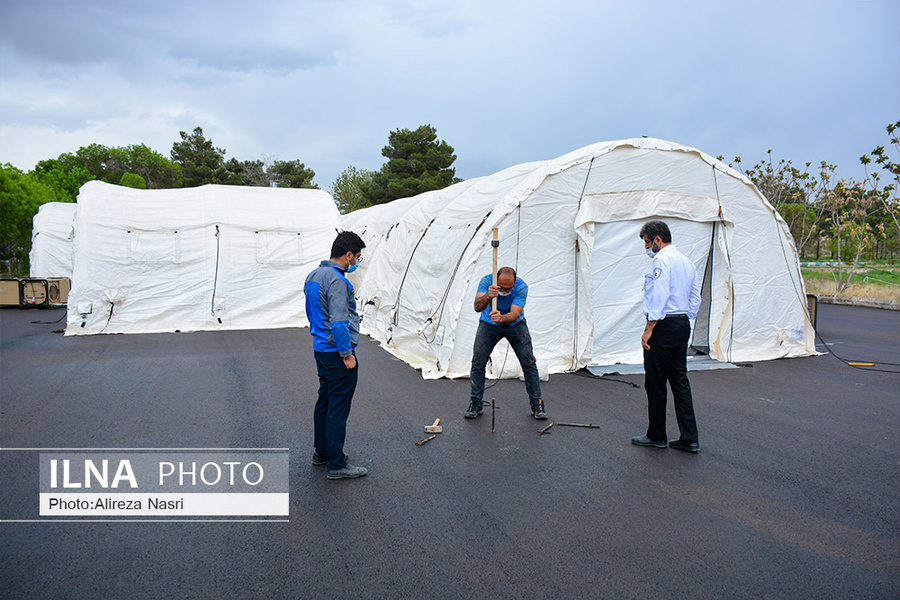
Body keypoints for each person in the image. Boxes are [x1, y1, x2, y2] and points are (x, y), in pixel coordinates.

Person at [631, 221, 702, 453]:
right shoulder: (687, 262)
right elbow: (694, 297)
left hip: (663, 324)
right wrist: (685, 318)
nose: (647, 248)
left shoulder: (661, 260)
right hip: (681, 322)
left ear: (658, 240)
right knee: (680, 381)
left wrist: (650, 328)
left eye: (648, 242)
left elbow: (659, 295)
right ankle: (690, 437)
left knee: (656, 382)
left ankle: (657, 435)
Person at [304, 231, 369, 479]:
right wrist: (347, 353)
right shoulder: (338, 281)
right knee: (338, 408)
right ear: (348, 254)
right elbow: (340, 322)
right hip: (336, 352)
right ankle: (336, 463)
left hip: (320, 349)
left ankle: (322, 452)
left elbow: (313, 313)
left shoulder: (314, 275)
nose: (357, 262)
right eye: (358, 257)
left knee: (325, 401)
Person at [466, 266, 547, 420]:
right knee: (478, 362)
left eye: (509, 288)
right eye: (502, 288)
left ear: (514, 282)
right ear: (496, 280)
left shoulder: (521, 287)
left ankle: (537, 404)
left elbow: (515, 314)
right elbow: (477, 307)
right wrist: (488, 296)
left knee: (529, 363)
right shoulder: (486, 281)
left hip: (514, 325)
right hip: (488, 324)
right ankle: (475, 403)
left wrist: (502, 318)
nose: (505, 291)